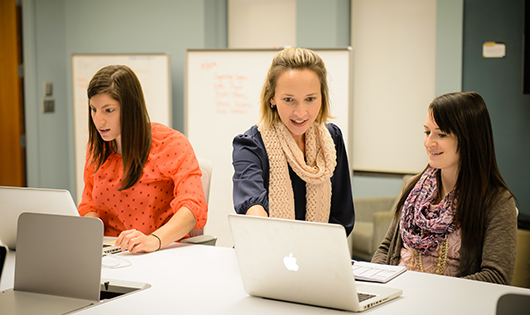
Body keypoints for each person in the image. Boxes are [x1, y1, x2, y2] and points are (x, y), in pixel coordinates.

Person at [372, 91, 517, 284]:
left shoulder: (497, 202)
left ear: (468, 140)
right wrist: (379, 283)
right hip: (397, 296)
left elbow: (496, 276)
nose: (428, 142)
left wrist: (427, 289)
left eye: (441, 134)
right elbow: (386, 249)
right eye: (427, 132)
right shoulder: (413, 187)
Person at [78, 65, 207, 254]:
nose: (99, 120)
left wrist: (154, 240)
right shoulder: (96, 149)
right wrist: (90, 238)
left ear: (131, 109)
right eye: (93, 109)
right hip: (112, 254)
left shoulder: (171, 144)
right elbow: (89, 204)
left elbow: (193, 206)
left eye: (109, 110)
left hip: (161, 250)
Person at [232, 47, 355, 235]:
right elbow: (253, 205)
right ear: (272, 97)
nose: (300, 112)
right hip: (266, 249)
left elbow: (341, 217)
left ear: (322, 97)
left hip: (319, 254)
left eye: (310, 99)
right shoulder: (250, 145)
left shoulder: (332, 139)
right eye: (289, 99)